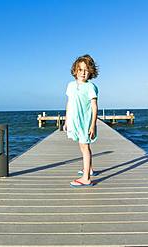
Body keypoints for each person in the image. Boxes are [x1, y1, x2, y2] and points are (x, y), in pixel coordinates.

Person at [63, 54, 99, 187]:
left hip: (85, 121)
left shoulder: (91, 87)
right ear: (75, 70)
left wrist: (92, 125)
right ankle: (89, 169)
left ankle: (86, 178)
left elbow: (94, 106)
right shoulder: (71, 85)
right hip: (75, 120)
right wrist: (67, 120)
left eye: (86, 70)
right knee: (82, 145)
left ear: (90, 72)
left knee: (85, 146)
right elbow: (69, 103)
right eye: (80, 69)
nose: (83, 73)